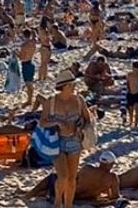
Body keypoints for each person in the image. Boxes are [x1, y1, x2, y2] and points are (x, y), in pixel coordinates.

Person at [39, 69, 92, 208]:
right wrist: (57, 122)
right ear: (64, 86)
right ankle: (57, 202)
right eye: (71, 85)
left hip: (75, 141)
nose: (74, 87)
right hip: (57, 142)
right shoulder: (51, 102)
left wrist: (80, 126)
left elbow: (88, 119)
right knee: (62, 176)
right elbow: (42, 122)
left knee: (71, 179)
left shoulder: (79, 100)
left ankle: (68, 205)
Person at [25, 151, 120, 204]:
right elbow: (115, 197)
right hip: (83, 199)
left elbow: (72, 179)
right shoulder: (112, 178)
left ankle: (29, 194)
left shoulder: (88, 169)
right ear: (111, 164)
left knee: (52, 177)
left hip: (68, 196)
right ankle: (35, 193)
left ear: (100, 162)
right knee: (52, 188)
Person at [19, 29, 37, 107]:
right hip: (31, 62)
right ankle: (30, 99)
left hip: (26, 64)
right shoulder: (33, 42)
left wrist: (16, 53)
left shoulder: (24, 45)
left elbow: (21, 57)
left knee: (28, 84)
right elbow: (35, 36)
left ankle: (29, 100)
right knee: (30, 83)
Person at [126, 61, 138, 129]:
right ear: (132, 68)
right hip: (130, 94)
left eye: (137, 70)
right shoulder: (129, 75)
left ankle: (136, 124)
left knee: (137, 109)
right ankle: (130, 121)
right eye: (134, 69)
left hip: (137, 94)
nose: (136, 71)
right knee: (130, 109)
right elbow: (126, 83)